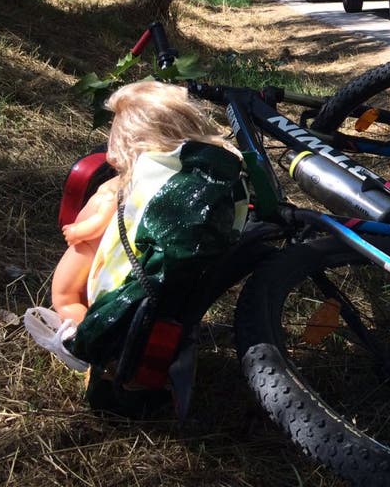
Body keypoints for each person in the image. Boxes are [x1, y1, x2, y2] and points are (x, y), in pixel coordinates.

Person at [23, 80, 247, 371]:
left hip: (90, 251)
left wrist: (83, 230)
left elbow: (106, 211)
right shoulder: (176, 176)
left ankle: (80, 334)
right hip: (127, 267)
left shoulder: (133, 181)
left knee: (65, 296)